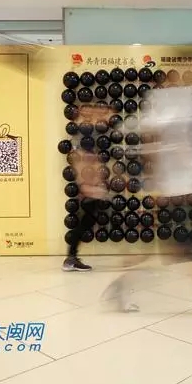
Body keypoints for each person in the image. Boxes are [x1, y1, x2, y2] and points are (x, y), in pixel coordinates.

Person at [106, 51, 192, 319]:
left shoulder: (185, 97)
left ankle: (122, 284)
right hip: (181, 187)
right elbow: (151, 134)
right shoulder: (173, 99)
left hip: (185, 185)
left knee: (169, 247)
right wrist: (165, 175)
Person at [62, 104, 111, 272]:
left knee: (87, 222)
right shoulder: (82, 139)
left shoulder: (89, 137)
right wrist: (86, 186)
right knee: (84, 223)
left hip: (93, 187)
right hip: (89, 188)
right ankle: (70, 259)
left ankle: (71, 258)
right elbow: (80, 165)